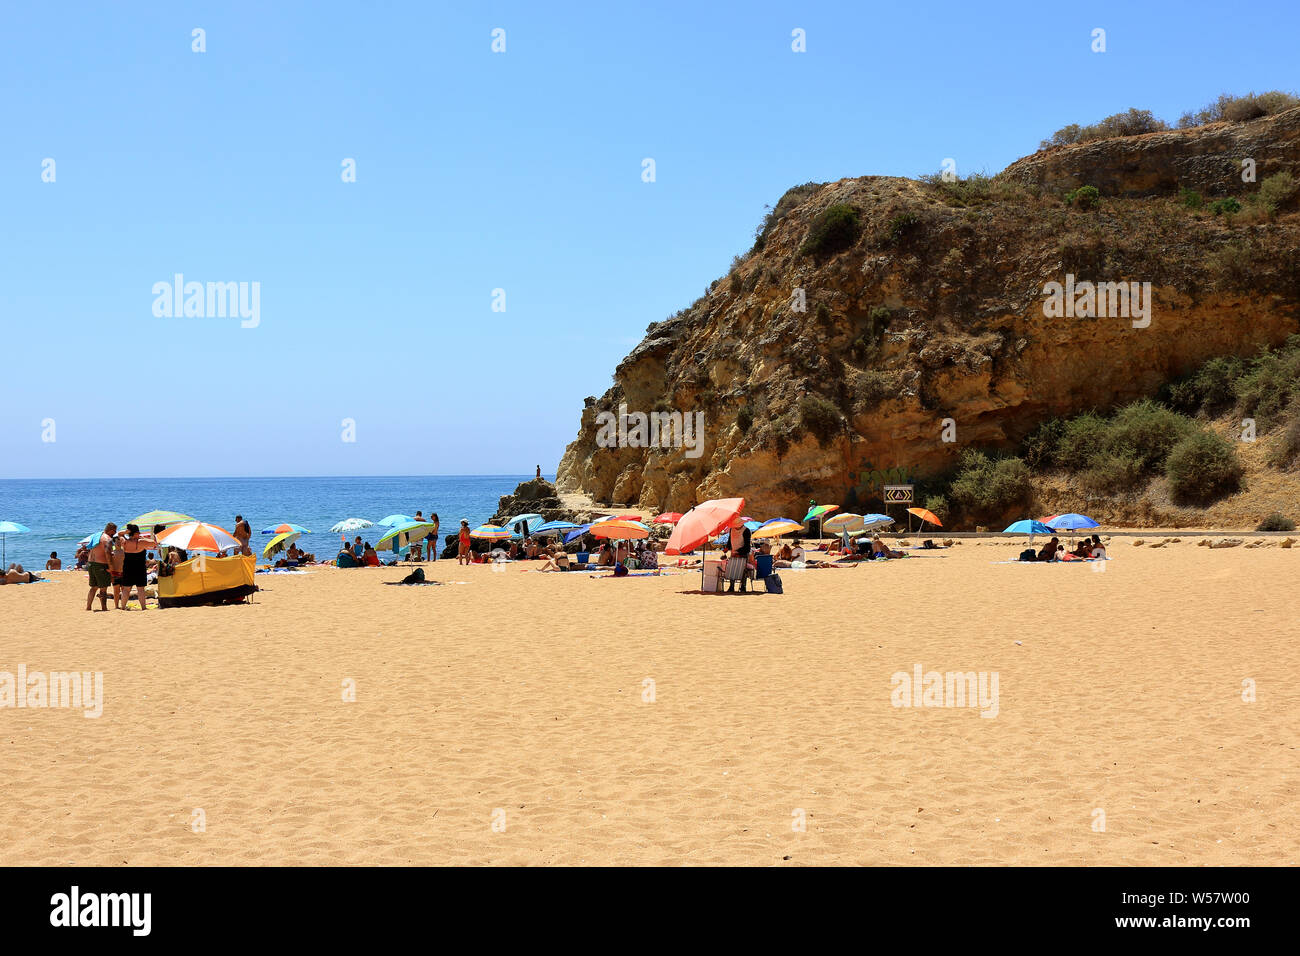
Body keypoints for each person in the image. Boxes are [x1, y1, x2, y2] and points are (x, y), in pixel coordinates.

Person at [118, 524, 151, 611]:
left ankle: (123, 607)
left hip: (128, 567)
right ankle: (143, 607)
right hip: (139, 568)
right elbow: (154, 542)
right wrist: (144, 538)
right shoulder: (141, 542)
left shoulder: (124, 541)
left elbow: (119, 534)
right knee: (140, 589)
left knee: (126, 589)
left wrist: (126, 532)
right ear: (136, 533)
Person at [85, 523, 117, 611]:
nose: (115, 533)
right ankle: (104, 607)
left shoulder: (96, 536)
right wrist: (111, 568)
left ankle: (88, 607)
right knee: (103, 587)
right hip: (101, 564)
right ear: (111, 530)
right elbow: (108, 554)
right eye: (114, 531)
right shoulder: (108, 539)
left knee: (94, 587)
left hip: (91, 563)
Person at [725, 516, 752, 593]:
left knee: (743, 570)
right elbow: (730, 540)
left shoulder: (746, 531)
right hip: (733, 553)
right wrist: (727, 548)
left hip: (743, 554)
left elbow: (747, 546)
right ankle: (731, 587)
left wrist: (739, 552)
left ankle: (743, 586)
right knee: (732, 570)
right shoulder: (732, 529)